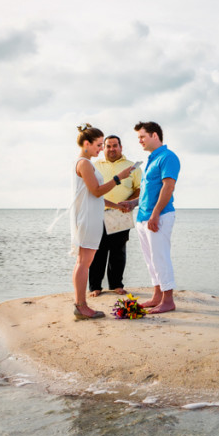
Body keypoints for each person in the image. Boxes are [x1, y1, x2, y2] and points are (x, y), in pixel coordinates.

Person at [71, 124, 135, 320]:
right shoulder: (84, 163)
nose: (101, 149)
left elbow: (95, 196)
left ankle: (80, 304)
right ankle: (81, 306)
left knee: (83, 262)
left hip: (92, 216)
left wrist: (116, 206)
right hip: (88, 218)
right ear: (86, 143)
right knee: (84, 263)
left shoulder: (87, 163)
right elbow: (96, 191)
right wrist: (118, 178)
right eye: (99, 145)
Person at [133, 121, 180, 314]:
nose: (140, 141)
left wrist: (155, 214)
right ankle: (157, 296)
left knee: (160, 257)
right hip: (143, 217)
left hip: (159, 216)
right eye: (138, 138)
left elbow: (168, 187)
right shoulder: (151, 159)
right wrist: (132, 203)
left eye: (142, 137)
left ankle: (168, 300)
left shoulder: (168, 157)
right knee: (150, 259)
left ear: (154, 135)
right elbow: (148, 191)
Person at [89, 135, 142, 297]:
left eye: (115, 146)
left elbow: (139, 189)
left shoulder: (132, 167)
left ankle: (116, 284)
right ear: (103, 148)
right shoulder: (94, 166)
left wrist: (131, 203)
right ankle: (95, 287)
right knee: (97, 251)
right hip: (97, 213)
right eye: (108, 146)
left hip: (121, 213)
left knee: (118, 251)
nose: (112, 149)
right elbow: (92, 190)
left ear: (121, 147)